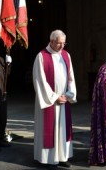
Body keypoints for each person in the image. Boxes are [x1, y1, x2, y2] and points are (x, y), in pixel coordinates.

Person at [32, 29, 77, 168]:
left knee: (63, 129)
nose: (62, 46)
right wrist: (54, 97)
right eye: (59, 43)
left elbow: (71, 77)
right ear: (51, 41)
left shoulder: (66, 55)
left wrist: (69, 94)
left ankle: (63, 157)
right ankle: (49, 159)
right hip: (50, 101)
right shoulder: (41, 56)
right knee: (49, 130)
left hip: (63, 99)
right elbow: (40, 80)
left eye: (64, 43)